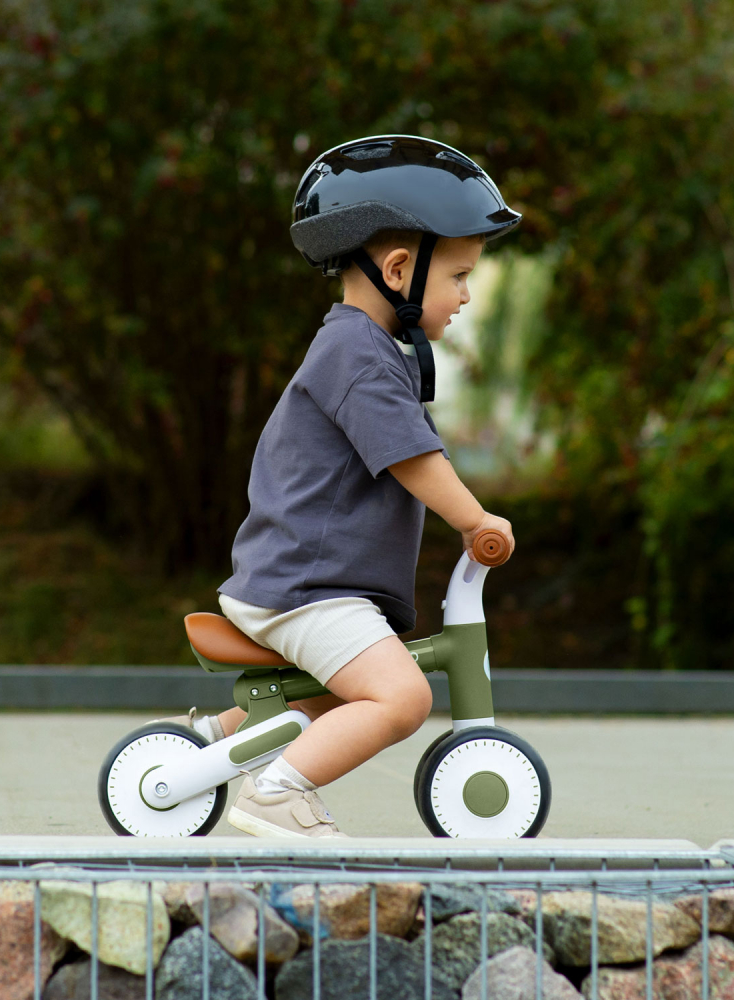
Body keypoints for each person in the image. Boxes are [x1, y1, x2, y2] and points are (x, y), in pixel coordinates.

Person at [176, 135, 520, 837]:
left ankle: (218, 743)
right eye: (458, 274)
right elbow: (413, 460)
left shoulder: (362, 349)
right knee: (401, 698)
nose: (464, 294)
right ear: (399, 269)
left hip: (307, 581)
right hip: (309, 587)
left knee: (332, 699)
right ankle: (277, 795)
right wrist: (475, 520)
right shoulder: (357, 354)